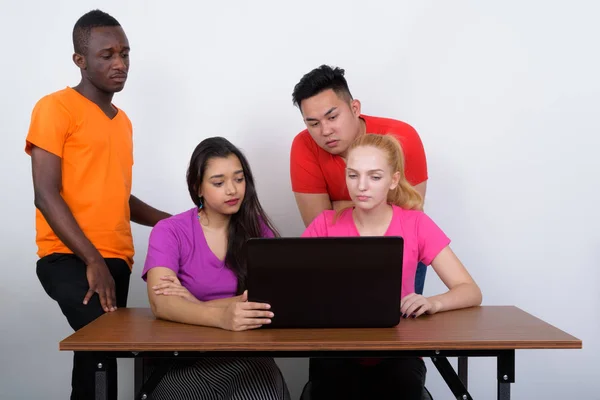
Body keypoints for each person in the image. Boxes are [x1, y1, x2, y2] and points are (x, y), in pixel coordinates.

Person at [26, 9, 171, 400]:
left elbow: (117, 195)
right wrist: (91, 260)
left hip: (115, 261)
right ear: (80, 60)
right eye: (107, 55)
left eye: (125, 53)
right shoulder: (54, 108)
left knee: (93, 363)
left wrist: (172, 222)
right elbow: (45, 193)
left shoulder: (122, 122)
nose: (120, 63)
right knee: (104, 352)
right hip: (69, 257)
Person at [302, 134, 482, 400]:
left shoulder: (416, 224)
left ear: (393, 180)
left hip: (400, 349)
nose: (361, 186)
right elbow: (292, 286)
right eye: (353, 175)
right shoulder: (325, 224)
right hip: (337, 347)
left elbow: (470, 291)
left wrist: (433, 303)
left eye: (374, 177)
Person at [142, 137, 290, 400]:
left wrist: (192, 303)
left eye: (239, 179)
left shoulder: (258, 230)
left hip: (246, 357)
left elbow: (269, 303)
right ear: (198, 187)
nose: (232, 190)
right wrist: (222, 315)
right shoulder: (170, 231)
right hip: (182, 360)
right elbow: (161, 304)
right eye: (219, 183)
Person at [289, 64, 430, 294]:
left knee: (405, 323)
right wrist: (381, 204)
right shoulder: (303, 145)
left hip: (398, 250)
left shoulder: (402, 137)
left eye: (332, 117)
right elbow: (319, 225)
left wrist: (338, 207)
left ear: (355, 108)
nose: (325, 131)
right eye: (313, 123)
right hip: (339, 253)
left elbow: (410, 215)